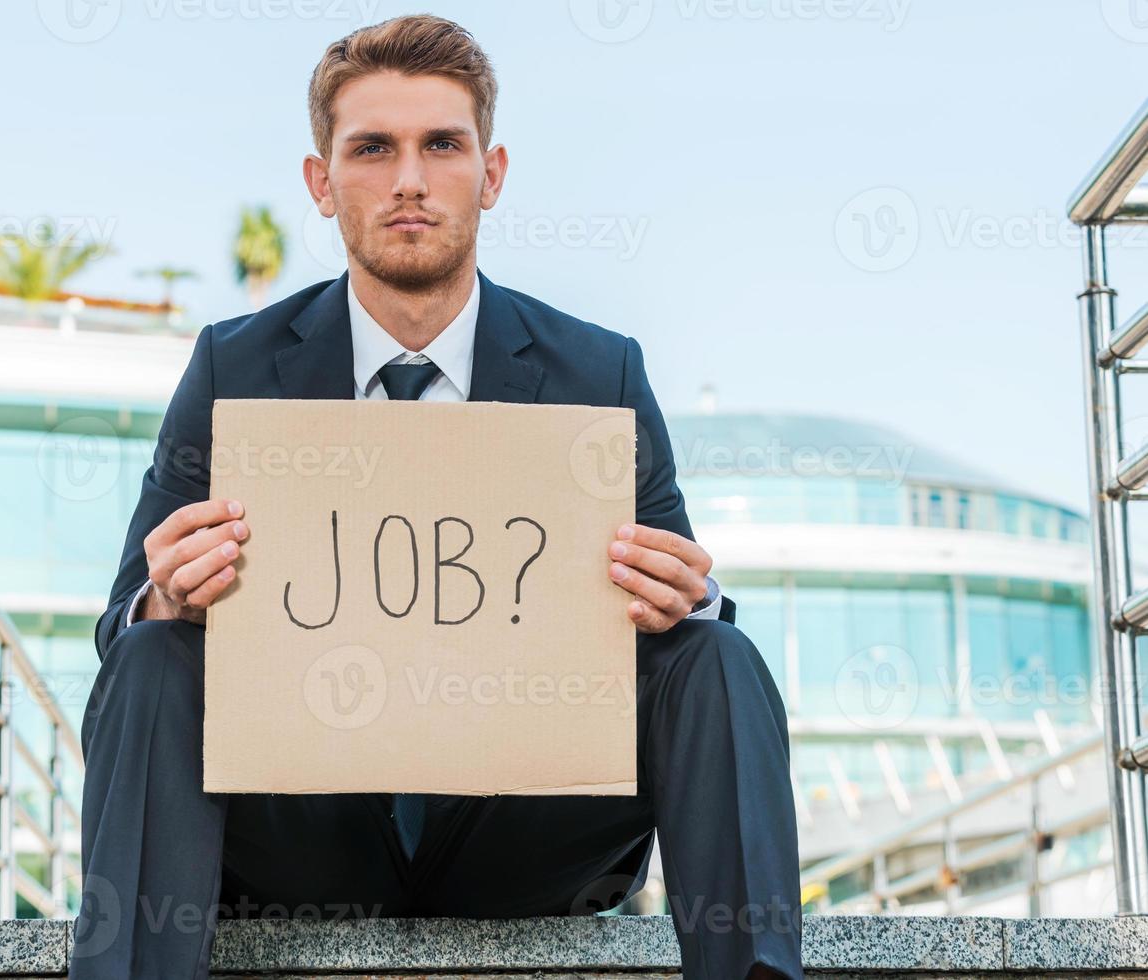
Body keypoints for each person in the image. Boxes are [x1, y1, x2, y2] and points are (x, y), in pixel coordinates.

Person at [70, 14, 802, 980]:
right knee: (155, 655)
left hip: (529, 827)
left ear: (489, 174)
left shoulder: (597, 373)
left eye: (440, 146)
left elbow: (685, 618)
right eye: (371, 148)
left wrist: (685, 597)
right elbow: (118, 638)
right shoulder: (234, 368)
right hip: (304, 827)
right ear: (321, 183)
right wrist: (165, 593)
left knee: (717, 652)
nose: (408, 180)